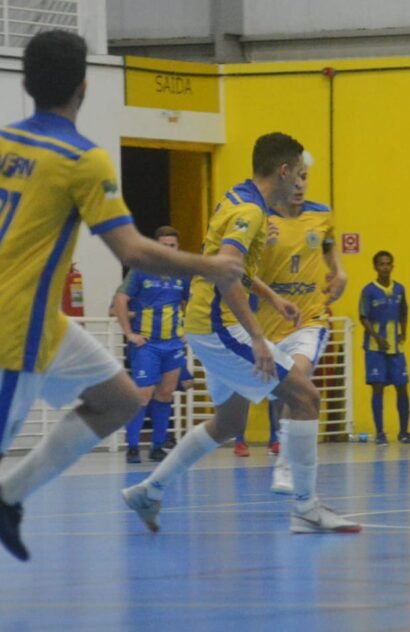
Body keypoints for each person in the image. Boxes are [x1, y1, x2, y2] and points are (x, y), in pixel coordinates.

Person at [0, 30, 243, 562]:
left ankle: (9, 497)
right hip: (17, 328)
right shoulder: (81, 159)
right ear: (85, 87)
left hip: (43, 319)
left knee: (120, 399)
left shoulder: (4, 142)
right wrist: (214, 267)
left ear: (25, 82)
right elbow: (133, 251)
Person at [121, 132, 360, 535]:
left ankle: (150, 489)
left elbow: (232, 267)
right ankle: (305, 508)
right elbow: (228, 274)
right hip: (218, 326)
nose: (302, 182)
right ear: (283, 171)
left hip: (205, 322)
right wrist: (256, 335)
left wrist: (268, 295)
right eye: (299, 174)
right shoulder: (250, 211)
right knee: (306, 396)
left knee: (229, 421)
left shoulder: (237, 196)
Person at [255, 153, 347, 495]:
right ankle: (156, 485)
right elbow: (244, 272)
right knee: (230, 417)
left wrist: (340, 272)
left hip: (310, 320)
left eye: (304, 178)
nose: (299, 185)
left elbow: (328, 250)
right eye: (293, 178)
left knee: (298, 379)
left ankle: (285, 467)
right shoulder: (260, 219)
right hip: (266, 326)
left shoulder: (321, 214)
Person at [113, 226, 191, 463]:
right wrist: (129, 333)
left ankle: (158, 446)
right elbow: (120, 299)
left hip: (172, 344)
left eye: (173, 246)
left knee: (166, 393)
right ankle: (133, 446)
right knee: (143, 393)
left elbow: (189, 302)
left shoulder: (183, 273)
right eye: (164, 245)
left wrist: (185, 331)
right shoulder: (141, 269)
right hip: (146, 344)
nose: (168, 249)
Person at [359, 251, 410, 445]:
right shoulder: (368, 291)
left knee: (402, 387)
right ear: (375, 267)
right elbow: (363, 317)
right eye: (381, 264)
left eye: (388, 264)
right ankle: (380, 433)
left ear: (392, 266)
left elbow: (404, 312)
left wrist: (404, 332)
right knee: (378, 388)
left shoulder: (399, 289)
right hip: (375, 348)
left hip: (396, 349)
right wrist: (376, 337)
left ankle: (404, 432)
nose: (385, 267)